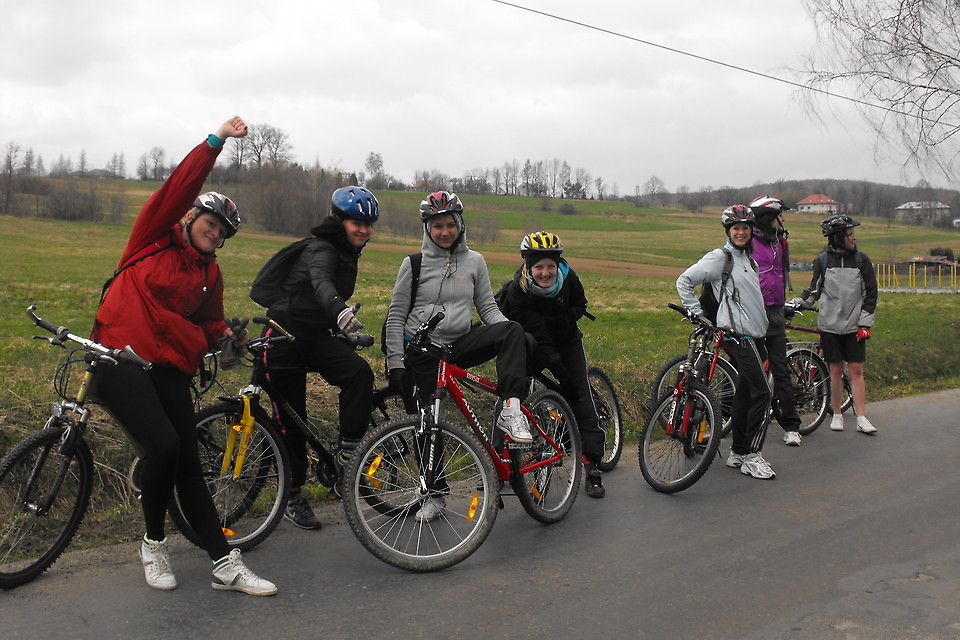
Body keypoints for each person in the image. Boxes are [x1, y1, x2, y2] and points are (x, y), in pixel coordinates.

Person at [93, 116, 276, 595]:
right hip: (119, 357)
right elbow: (178, 187)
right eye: (211, 224)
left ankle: (224, 564)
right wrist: (216, 142)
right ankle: (153, 544)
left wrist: (231, 339)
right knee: (166, 447)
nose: (215, 234)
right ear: (191, 218)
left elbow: (209, 324)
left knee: (188, 465)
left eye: (223, 233)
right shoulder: (153, 236)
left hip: (169, 368)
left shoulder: (210, 276)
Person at [383, 191, 532, 521]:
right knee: (425, 423)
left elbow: (488, 308)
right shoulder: (413, 264)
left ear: (460, 225)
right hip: (422, 351)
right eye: (437, 226)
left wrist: (514, 336)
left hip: (459, 345)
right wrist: (396, 363)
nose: (445, 231)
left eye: (450, 224)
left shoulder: (475, 261)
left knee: (512, 330)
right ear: (427, 228)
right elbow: (396, 316)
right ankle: (434, 494)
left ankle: (511, 409)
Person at [258, 186, 379, 529]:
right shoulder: (322, 248)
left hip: (314, 337)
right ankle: (293, 495)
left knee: (358, 373)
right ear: (338, 221)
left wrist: (341, 330)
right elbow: (321, 282)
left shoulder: (348, 251)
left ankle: (347, 459)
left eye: (368, 225)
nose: (363, 230)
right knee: (292, 421)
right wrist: (340, 312)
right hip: (282, 337)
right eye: (356, 223)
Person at [501, 231, 606, 498]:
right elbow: (541, 339)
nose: (545, 272)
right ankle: (500, 465)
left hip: (567, 341)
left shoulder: (568, 278)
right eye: (539, 267)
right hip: (533, 344)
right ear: (528, 266)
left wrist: (566, 317)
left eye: (550, 265)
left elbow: (580, 304)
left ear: (558, 264)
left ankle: (592, 466)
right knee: (511, 397)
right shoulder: (518, 291)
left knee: (580, 396)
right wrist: (560, 374)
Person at [676, 205, 775, 480]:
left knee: (745, 393)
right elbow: (685, 280)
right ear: (728, 232)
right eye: (736, 228)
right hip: (739, 336)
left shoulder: (750, 261)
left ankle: (738, 452)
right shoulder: (721, 257)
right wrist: (695, 312)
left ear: (751, 230)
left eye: (745, 228)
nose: (741, 232)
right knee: (763, 393)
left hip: (757, 336)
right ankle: (752, 456)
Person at [795, 214, 878, 434]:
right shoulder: (823, 261)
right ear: (837, 238)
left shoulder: (862, 261)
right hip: (829, 326)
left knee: (857, 369)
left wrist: (865, 324)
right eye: (849, 234)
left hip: (854, 326)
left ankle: (861, 417)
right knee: (835, 370)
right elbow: (814, 290)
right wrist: (797, 303)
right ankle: (837, 414)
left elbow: (871, 294)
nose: (854, 238)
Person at [748, 195, 804, 447]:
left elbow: (782, 272)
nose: (782, 220)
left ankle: (791, 426)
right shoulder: (748, 242)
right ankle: (731, 419)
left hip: (776, 312)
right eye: (778, 216)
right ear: (767, 218)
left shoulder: (781, 242)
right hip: (753, 313)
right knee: (747, 371)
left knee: (780, 370)